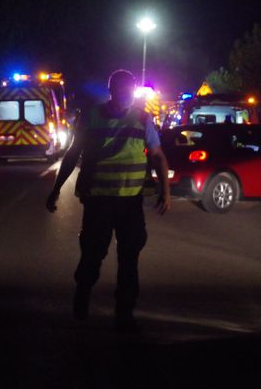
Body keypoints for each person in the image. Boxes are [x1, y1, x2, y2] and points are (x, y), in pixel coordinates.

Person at [45, 70, 171, 333]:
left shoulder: (143, 118)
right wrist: (56, 188)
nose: (124, 94)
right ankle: (83, 290)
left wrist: (165, 190)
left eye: (128, 89)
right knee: (92, 255)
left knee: (129, 260)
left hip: (130, 203)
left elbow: (158, 156)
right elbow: (72, 154)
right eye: (120, 89)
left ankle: (124, 314)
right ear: (111, 89)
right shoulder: (91, 117)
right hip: (99, 201)